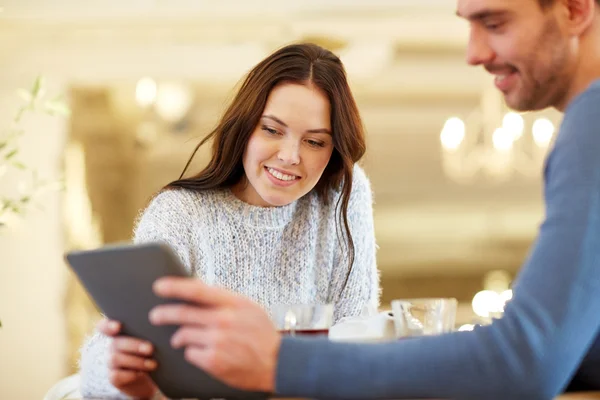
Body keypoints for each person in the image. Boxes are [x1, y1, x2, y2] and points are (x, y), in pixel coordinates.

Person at [147, 0, 600, 399]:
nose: (473, 53)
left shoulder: (593, 125)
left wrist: (281, 361)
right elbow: (571, 355)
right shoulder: (181, 213)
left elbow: (525, 359)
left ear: (576, 9)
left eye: (495, 23)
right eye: (271, 129)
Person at [78, 43, 380, 400]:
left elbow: (359, 331)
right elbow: (114, 344)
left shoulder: (342, 196)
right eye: (271, 130)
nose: (289, 156)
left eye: (315, 141)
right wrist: (114, 368)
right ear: (245, 126)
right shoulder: (179, 213)